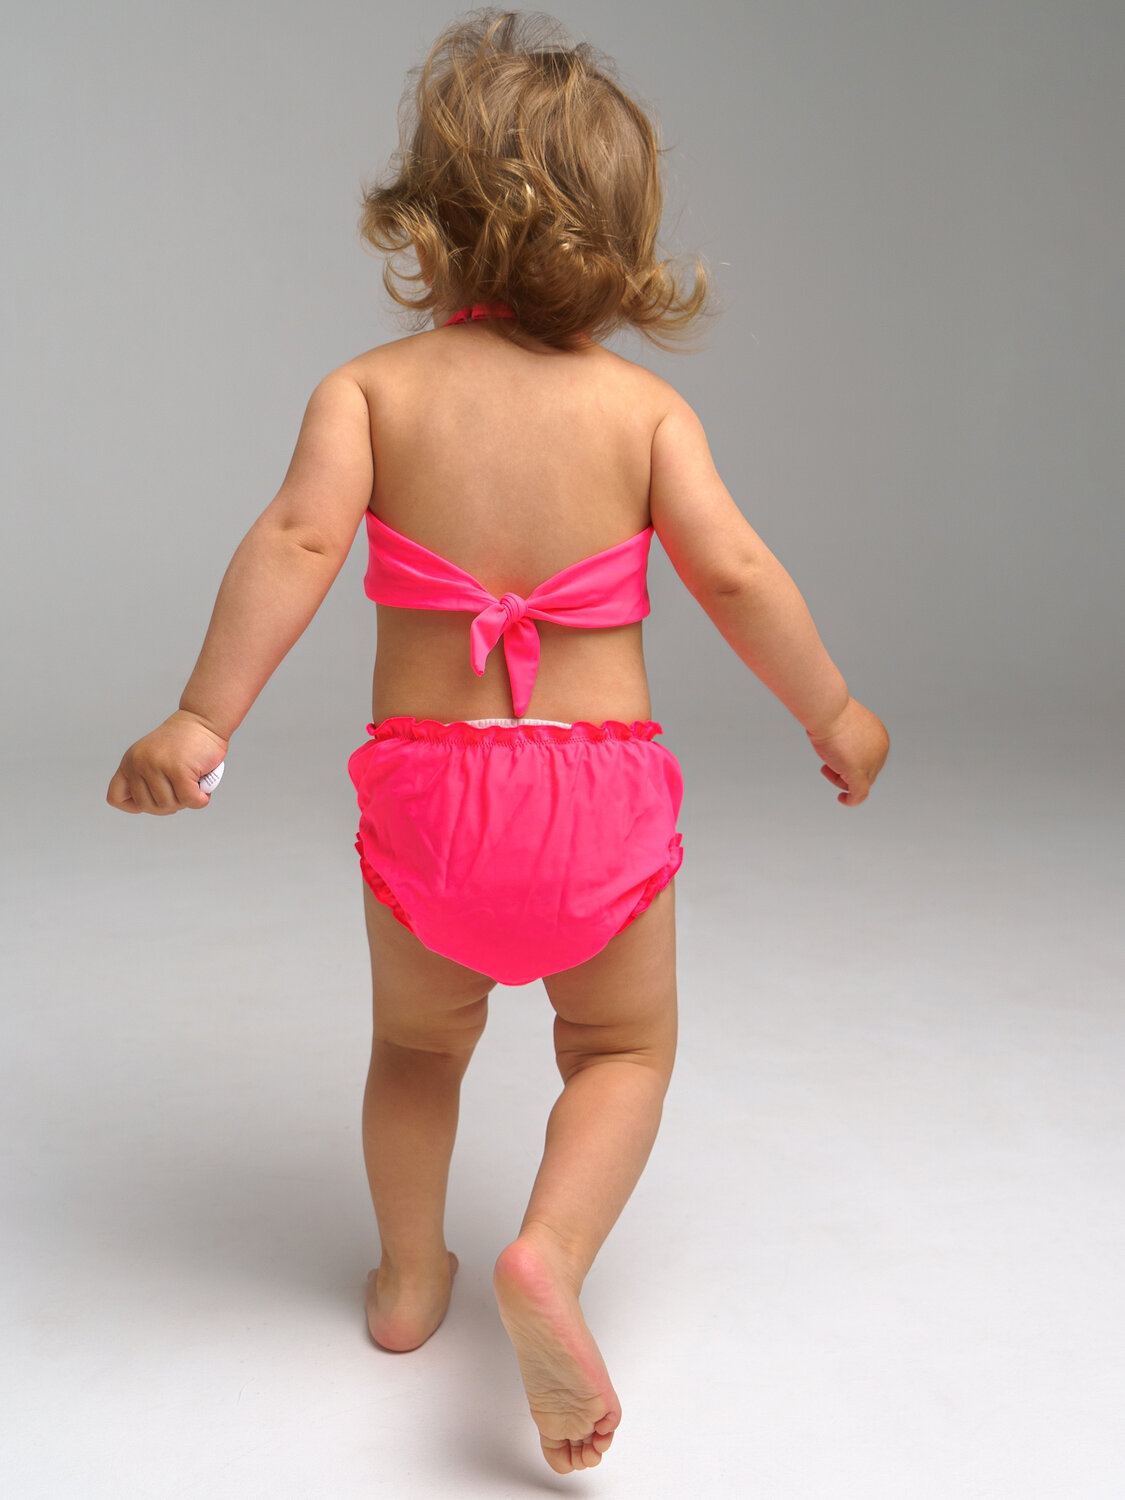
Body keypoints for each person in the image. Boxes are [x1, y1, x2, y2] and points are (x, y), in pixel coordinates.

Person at [106, 7, 889, 1476]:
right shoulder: (643, 412)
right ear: (624, 236)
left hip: (430, 799)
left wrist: (203, 716)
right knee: (620, 1048)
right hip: (596, 801)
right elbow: (734, 575)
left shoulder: (369, 391)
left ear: (432, 223)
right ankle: (549, 1255)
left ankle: (411, 1281)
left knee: (417, 1045)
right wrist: (832, 712)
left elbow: (295, 542)